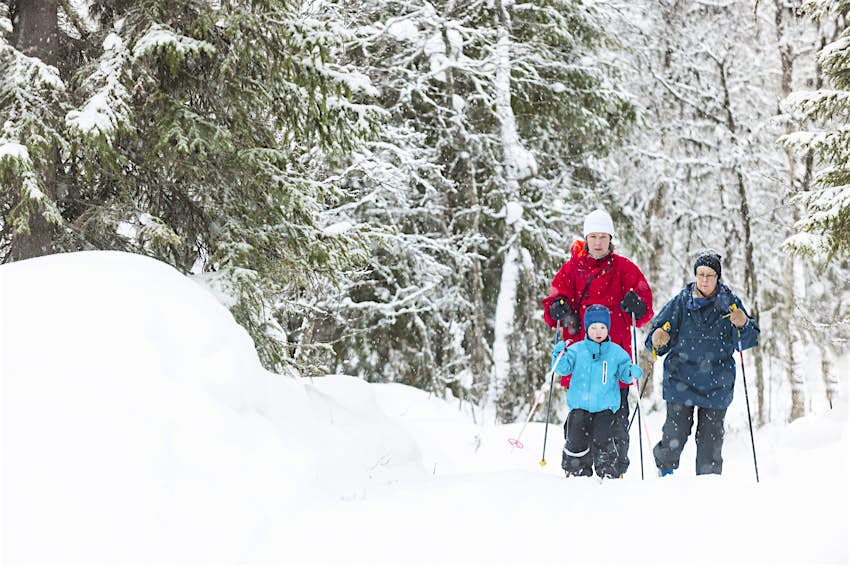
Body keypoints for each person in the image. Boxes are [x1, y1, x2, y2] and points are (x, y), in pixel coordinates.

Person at [541, 208, 654, 477]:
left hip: (615, 361)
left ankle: (613, 469)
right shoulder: (572, 269)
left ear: (611, 238)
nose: (598, 242)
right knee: (579, 418)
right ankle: (578, 467)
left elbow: (645, 309)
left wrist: (637, 305)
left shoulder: (625, 269)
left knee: (615, 419)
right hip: (581, 359)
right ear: (586, 238)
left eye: (603, 236)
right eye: (593, 236)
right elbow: (552, 306)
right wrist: (559, 308)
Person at [645, 251, 760, 476]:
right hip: (681, 378)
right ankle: (665, 473)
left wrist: (744, 323)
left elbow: (748, 339)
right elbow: (655, 340)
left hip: (717, 382)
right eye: (700, 274)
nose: (704, 280)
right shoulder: (680, 302)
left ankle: (708, 486)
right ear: (695, 275)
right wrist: (658, 338)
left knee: (711, 440)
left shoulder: (730, 303)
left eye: (709, 275)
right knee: (674, 435)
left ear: (718, 277)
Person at [551, 305, 643, 479]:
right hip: (580, 406)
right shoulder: (577, 350)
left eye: (602, 327)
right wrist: (558, 356)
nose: (598, 331)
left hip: (605, 407)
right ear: (587, 328)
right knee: (576, 437)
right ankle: (575, 468)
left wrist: (631, 372)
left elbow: (625, 374)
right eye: (593, 327)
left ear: (608, 328)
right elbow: (562, 369)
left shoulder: (616, 352)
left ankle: (607, 470)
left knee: (604, 438)